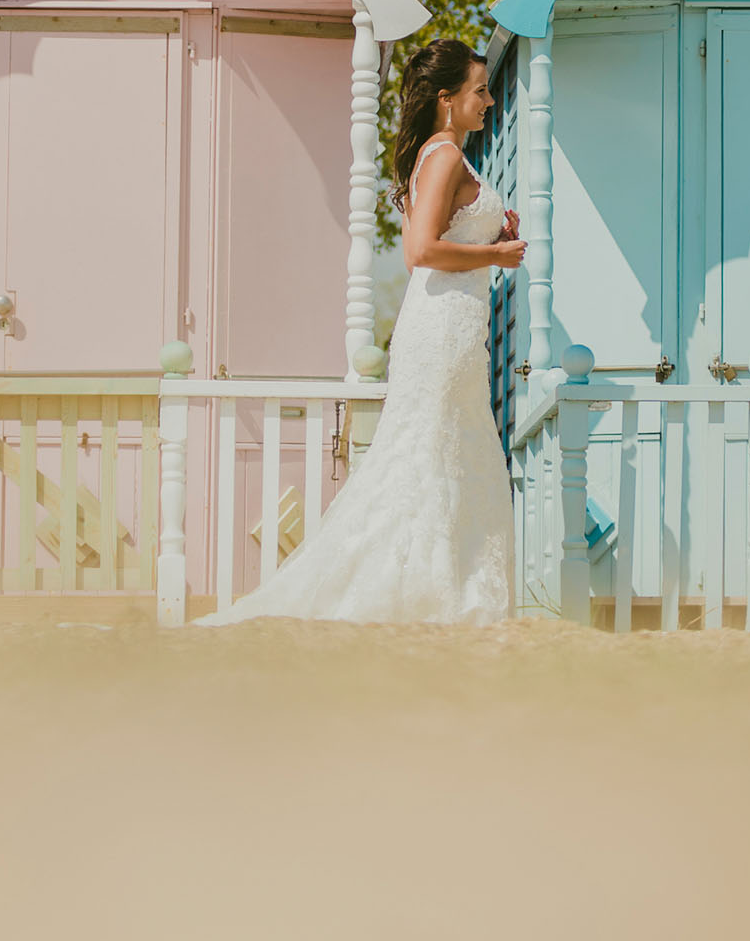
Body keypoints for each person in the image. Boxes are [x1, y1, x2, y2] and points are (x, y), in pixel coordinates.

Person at [193, 39, 526, 626]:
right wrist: (496, 256)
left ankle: (443, 588)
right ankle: (423, 596)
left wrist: (491, 236)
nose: (490, 101)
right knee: (430, 453)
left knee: (445, 453)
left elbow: (434, 242)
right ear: (447, 100)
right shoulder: (445, 155)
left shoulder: (438, 155)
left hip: (448, 324)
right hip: (443, 325)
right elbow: (419, 251)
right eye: (480, 91)